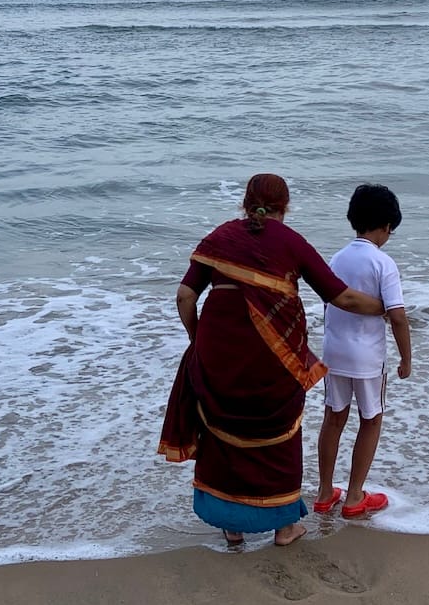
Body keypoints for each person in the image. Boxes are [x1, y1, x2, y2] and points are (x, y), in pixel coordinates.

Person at [158, 173, 386, 547]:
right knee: (278, 436)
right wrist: (387, 309)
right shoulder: (291, 242)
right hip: (273, 360)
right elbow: (341, 298)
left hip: (218, 355)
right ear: (286, 206)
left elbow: (185, 296)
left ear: (244, 202)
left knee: (223, 431)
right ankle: (284, 528)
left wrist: (196, 338)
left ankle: (231, 527)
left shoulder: (220, 237)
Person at [313, 183, 412, 519]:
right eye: (390, 231)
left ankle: (325, 492)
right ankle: (355, 496)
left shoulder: (337, 258)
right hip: (367, 356)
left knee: (333, 418)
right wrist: (406, 359)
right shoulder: (383, 262)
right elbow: (397, 316)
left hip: (334, 351)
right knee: (371, 420)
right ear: (385, 227)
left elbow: (329, 302)